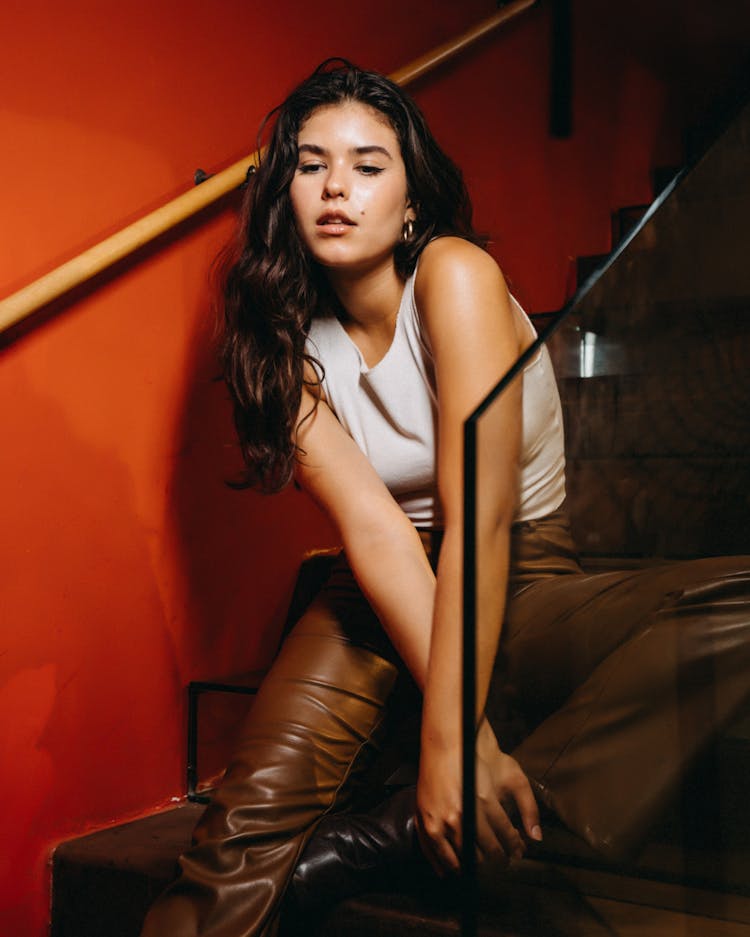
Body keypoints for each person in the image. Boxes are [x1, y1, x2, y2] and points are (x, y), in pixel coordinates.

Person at [140, 61, 750, 937]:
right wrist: (461, 737)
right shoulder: (278, 340)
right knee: (237, 835)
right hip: (371, 591)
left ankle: (389, 835)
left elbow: (481, 524)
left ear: (412, 200)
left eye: (368, 164)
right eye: (311, 164)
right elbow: (378, 532)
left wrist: (450, 744)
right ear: (285, 190)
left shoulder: (454, 277)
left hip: (519, 570)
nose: (336, 187)